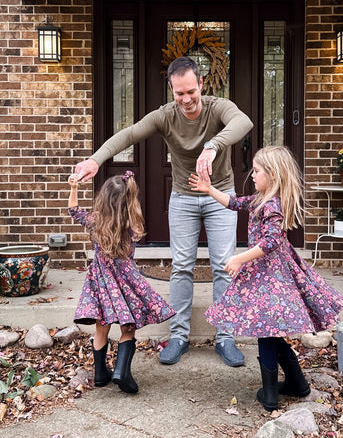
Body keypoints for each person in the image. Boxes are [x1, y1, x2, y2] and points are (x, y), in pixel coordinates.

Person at [75, 56, 254, 367]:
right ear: (171, 90)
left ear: (201, 84)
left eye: (190, 91)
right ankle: (179, 336)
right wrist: (96, 160)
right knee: (181, 265)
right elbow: (128, 135)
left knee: (225, 265)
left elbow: (244, 122)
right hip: (183, 198)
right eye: (178, 93)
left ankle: (226, 337)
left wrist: (213, 145)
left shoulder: (218, 106)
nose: (186, 100)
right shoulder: (165, 116)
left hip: (220, 194)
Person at [189, 145, 343, 411]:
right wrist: (209, 190)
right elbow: (235, 203)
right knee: (270, 332)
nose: (252, 175)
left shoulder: (272, 204)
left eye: (257, 171)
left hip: (271, 278)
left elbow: (272, 241)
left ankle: (271, 395)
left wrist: (239, 258)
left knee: (266, 331)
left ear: (272, 175)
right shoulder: (261, 199)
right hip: (265, 276)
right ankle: (298, 386)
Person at [68, 170, 176, 393]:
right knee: (128, 325)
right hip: (126, 282)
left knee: (102, 327)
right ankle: (121, 372)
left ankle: (100, 375)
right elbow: (135, 233)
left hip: (100, 282)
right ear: (129, 199)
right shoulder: (133, 224)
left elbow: (74, 210)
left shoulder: (94, 221)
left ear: (103, 198)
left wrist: (74, 188)